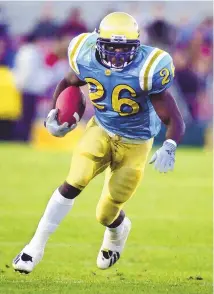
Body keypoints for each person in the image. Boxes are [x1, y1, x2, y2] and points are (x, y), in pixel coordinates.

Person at [12, 12, 185, 273]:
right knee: (74, 180)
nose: (116, 54)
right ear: (98, 42)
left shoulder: (149, 69)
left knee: (105, 213)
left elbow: (173, 117)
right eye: (110, 47)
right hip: (101, 129)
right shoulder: (85, 54)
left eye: (123, 48)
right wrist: (53, 114)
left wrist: (169, 145)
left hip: (136, 143)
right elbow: (68, 83)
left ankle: (118, 231)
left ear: (137, 47)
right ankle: (35, 246)